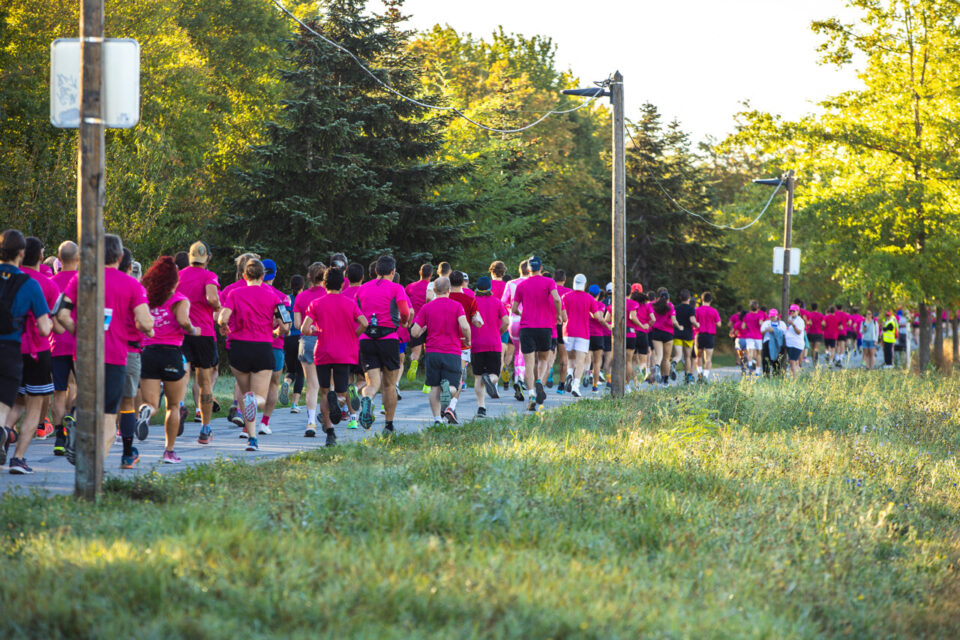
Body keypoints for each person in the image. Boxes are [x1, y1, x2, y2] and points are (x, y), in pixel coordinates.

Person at [59, 234, 154, 469]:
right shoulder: (132, 284)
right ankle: (93, 466)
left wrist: (79, 334)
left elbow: (61, 315)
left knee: (89, 402)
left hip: (84, 355)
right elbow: (145, 322)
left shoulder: (81, 279)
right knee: (110, 415)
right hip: (114, 356)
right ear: (120, 257)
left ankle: (78, 427)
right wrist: (147, 326)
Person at [218, 258, 289, 451]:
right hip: (262, 348)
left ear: (244, 275)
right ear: (263, 275)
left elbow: (222, 317)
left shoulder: (234, 293)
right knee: (259, 397)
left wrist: (224, 327)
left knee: (245, 392)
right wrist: (277, 331)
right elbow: (285, 324)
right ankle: (253, 412)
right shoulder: (274, 296)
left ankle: (252, 438)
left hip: (238, 348)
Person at [0, 231, 54, 473]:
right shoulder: (31, 284)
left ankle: (4, 432)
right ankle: (18, 458)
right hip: (17, 350)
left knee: (10, 404)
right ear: (21, 253)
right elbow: (44, 328)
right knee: (23, 407)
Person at [138, 256, 200, 464]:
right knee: (173, 406)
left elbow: (138, 323)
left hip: (148, 352)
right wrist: (194, 330)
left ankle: (146, 413)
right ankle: (169, 451)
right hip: (171, 353)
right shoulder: (179, 299)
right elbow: (184, 322)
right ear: (174, 279)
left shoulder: (146, 297)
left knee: (150, 402)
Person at [300, 267, 368, 444]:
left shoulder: (316, 303)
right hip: (344, 352)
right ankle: (337, 400)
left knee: (323, 392)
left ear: (324, 284)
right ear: (342, 284)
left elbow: (304, 328)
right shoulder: (350, 303)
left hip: (323, 351)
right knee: (342, 389)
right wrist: (355, 334)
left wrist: (314, 330)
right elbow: (365, 323)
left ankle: (329, 431)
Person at [356, 255, 411, 431]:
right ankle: (388, 424)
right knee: (389, 385)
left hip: (366, 340)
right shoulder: (397, 288)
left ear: (376, 271)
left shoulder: (362, 289)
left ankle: (367, 398)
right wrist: (403, 322)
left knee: (371, 383)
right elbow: (404, 312)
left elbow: (354, 313)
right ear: (393, 272)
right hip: (388, 339)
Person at [177, 241, 221, 445]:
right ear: (207, 258)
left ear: (189, 256)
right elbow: (212, 297)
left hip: (181, 332)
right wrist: (217, 305)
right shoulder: (209, 276)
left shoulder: (179, 275)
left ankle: (179, 405)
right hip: (203, 333)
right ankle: (205, 429)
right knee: (204, 381)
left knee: (183, 374)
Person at [410, 277, 471, 425]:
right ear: (449, 290)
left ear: (435, 290)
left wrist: (423, 329)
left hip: (432, 352)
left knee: (434, 387)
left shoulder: (427, 308)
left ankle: (437, 419)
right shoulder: (457, 306)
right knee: (454, 386)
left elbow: (414, 332)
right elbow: (465, 326)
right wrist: (467, 340)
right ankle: (448, 390)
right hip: (452, 351)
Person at [511, 256, 561, 412]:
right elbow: (557, 299)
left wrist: (522, 314)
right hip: (545, 327)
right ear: (541, 267)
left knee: (529, 363)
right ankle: (539, 380)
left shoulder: (522, 285)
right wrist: (558, 314)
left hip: (527, 327)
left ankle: (532, 395)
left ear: (527, 269)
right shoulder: (549, 282)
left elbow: (513, 309)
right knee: (544, 360)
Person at [50, 240, 79, 455]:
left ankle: (59, 437)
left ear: (59, 260)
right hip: (79, 343)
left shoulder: (51, 282)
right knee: (80, 387)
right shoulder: (84, 283)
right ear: (78, 259)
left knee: (59, 393)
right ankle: (73, 416)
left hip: (56, 344)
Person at [293, 262, 327, 435]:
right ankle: (328, 417)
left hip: (306, 341)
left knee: (312, 385)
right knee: (328, 385)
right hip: (325, 341)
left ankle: (311, 422)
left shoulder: (300, 297)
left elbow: (298, 324)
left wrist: (310, 328)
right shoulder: (328, 295)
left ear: (308, 277)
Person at [470, 276, 509, 417]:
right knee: (494, 374)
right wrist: (499, 332)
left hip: (476, 343)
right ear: (490, 289)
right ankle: (490, 380)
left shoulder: (472, 303)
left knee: (478, 378)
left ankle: (481, 407)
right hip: (494, 343)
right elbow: (506, 321)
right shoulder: (497, 302)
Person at [562, 275, 606, 397]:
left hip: (567, 331)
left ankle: (569, 373)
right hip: (582, 333)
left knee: (570, 359)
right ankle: (576, 386)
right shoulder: (589, 298)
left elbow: (561, 314)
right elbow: (597, 316)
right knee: (580, 361)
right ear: (585, 285)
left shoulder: (565, 297)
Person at [449, 271, 483, 395]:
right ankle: (452, 406)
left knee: (446, 373)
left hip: (444, 340)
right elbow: (478, 322)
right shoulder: (470, 299)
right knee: (458, 374)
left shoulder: (444, 297)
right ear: (463, 282)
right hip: (462, 341)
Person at [500, 260, 529, 396]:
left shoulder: (511, 284)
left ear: (519, 270)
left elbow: (503, 302)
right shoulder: (532, 284)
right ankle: (520, 379)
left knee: (517, 351)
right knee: (523, 352)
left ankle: (519, 378)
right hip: (528, 320)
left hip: (513, 321)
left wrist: (511, 309)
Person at [404, 263, 433, 383]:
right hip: (430, 323)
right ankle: (428, 380)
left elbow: (405, 304)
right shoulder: (432, 287)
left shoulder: (410, 287)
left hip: (415, 323)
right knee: (430, 351)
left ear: (420, 273)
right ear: (431, 275)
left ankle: (414, 362)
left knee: (416, 350)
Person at [282, 274, 305, 413]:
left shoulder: (287, 299)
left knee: (291, 370)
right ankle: (294, 404)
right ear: (302, 286)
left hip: (288, 338)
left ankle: (286, 383)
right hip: (301, 339)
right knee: (301, 372)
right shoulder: (304, 299)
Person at [647, 288, 681, 385]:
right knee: (666, 358)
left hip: (656, 333)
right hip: (668, 334)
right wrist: (679, 326)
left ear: (659, 298)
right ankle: (665, 381)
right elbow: (674, 321)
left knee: (659, 355)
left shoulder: (653, 305)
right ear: (668, 299)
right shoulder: (670, 306)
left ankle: (657, 366)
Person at [672, 289, 698, 383]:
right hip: (687, 335)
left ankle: (674, 363)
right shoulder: (691, 308)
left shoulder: (676, 308)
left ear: (680, 298)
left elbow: (673, 320)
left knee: (678, 355)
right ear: (689, 298)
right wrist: (697, 324)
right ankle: (688, 377)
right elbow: (692, 320)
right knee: (687, 357)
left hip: (677, 334)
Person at [694, 292, 721, 381]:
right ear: (711, 300)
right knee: (708, 358)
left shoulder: (697, 310)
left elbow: (694, 322)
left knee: (698, 356)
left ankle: (699, 373)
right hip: (709, 336)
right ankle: (705, 377)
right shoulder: (714, 311)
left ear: (702, 299)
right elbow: (719, 324)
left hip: (699, 335)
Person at [760, 309, 788, 376]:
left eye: (773, 316)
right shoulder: (766, 323)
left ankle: (776, 375)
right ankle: (766, 375)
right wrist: (767, 329)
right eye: (771, 316)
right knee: (766, 360)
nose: (772, 318)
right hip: (768, 342)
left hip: (778, 344)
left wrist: (775, 331)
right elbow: (761, 331)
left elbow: (784, 332)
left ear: (777, 316)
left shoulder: (782, 323)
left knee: (777, 361)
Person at [741, 300, 764, 374]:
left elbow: (743, 326)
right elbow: (761, 323)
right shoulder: (760, 315)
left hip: (749, 336)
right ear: (758, 307)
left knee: (749, 351)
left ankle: (750, 366)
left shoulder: (747, 316)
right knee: (758, 354)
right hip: (758, 336)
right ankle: (757, 371)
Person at [784, 304, 806, 376]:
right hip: (790, 344)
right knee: (795, 361)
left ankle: (794, 379)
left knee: (792, 362)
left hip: (796, 344)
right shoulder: (790, 319)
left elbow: (798, 332)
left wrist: (793, 325)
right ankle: (797, 376)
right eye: (791, 311)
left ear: (798, 311)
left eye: (793, 311)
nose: (792, 312)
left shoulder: (800, 320)